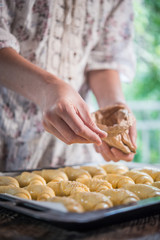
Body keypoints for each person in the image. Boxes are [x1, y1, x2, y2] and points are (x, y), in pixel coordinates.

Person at [0, 0, 137, 171]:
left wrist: (113, 109)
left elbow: (104, 59)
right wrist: (47, 88)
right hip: (6, 138)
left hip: (75, 152)